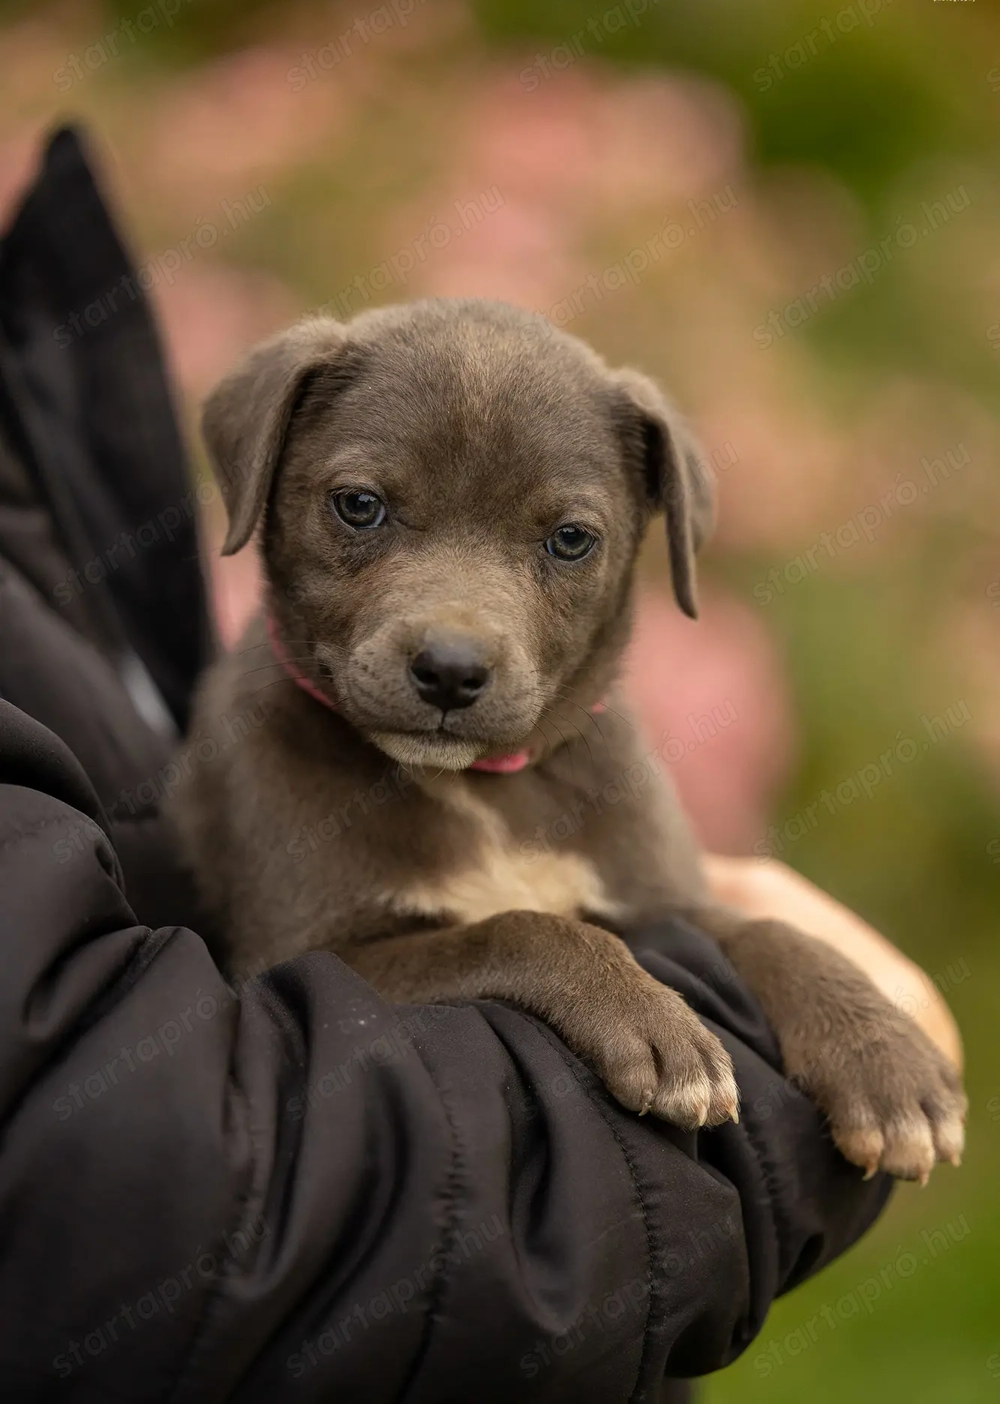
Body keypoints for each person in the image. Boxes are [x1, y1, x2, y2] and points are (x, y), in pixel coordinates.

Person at [0, 127, 959, 1402]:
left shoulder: (605, 767)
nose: (457, 630)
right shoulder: (266, 757)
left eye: (563, 542)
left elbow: (695, 915)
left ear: (645, 547)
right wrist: (541, 951)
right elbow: (292, 1024)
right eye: (362, 509)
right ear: (262, 472)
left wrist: (805, 974)